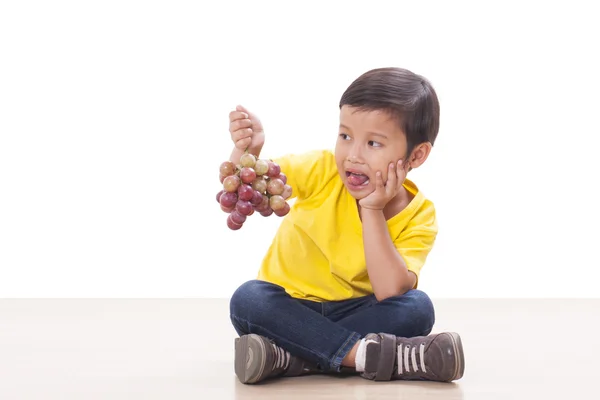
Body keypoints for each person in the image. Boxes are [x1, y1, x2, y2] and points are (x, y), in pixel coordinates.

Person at [226, 67, 465, 384]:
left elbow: (389, 291)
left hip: (357, 313)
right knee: (249, 299)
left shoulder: (420, 214)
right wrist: (248, 152)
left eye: (374, 144)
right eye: (345, 136)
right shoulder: (323, 168)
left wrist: (373, 209)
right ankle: (367, 357)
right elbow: (258, 184)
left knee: (416, 309)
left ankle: (291, 357)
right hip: (288, 307)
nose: (353, 155)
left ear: (416, 155)